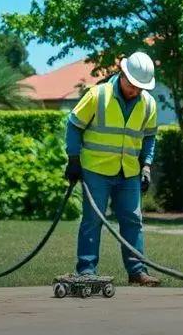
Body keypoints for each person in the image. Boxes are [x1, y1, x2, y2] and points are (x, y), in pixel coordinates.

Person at [64, 51, 161, 286]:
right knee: (93, 220)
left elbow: (149, 138)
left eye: (140, 87)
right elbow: (74, 125)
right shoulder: (98, 95)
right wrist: (73, 159)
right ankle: (87, 270)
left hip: (128, 172)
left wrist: (146, 166)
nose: (135, 91)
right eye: (133, 85)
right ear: (122, 73)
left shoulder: (148, 104)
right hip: (96, 170)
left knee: (133, 221)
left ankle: (137, 271)